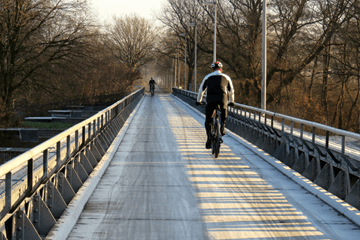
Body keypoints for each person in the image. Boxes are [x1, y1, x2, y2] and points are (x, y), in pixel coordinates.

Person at [195, 61, 235, 149]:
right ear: (221, 69)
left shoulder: (207, 76)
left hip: (211, 99)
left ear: (212, 69)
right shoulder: (226, 77)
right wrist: (232, 101)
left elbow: (201, 90)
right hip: (222, 98)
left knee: (208, 119)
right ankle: (223, 128)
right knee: (224, 109)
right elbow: (231, 90)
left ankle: (209, 136)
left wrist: (199, 100)